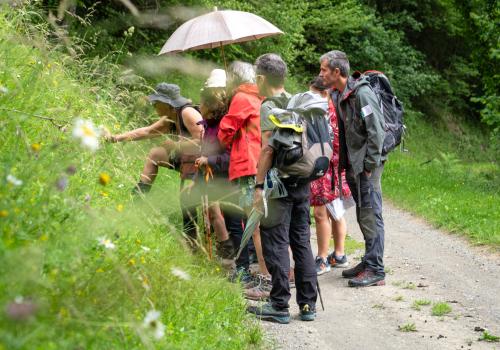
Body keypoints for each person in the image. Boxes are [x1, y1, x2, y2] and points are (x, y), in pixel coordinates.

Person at [248, 53, 317, 324]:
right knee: (301, 241)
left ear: (262, 78)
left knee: (275, 241)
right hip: (303, 182)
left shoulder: (269, 106)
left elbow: (267, 149)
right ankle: (308, 305)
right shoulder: (297, 101)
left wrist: (258, 186)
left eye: (256, 78)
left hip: (280, 185)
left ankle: (279, 304)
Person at [319, 50, 386, 287]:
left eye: (324, 70)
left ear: (337, 72)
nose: (321, 74)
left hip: (367, 165)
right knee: (362, 213)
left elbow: (376, 132)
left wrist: (368, 165)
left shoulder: (362, 94)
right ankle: (369, 261)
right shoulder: (339, 94)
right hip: (355, 166)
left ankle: (376, 269)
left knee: (370, 213)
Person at [106, 83, 203, 243]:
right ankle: (137, 201)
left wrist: (175, 145)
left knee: (186, 197)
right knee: (155, 154)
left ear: (167, 104)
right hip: (186, 158)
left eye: (156, 102)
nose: (153, 105)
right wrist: (115, 138)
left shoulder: (187, 113)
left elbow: (203, 140)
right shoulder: (171, 117)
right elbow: (147, 132)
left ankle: (191, 240)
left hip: (203, 161)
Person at [217, 61, 269, 281]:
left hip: (247, 164)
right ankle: (267, 270)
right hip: (262, 162)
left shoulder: (241, 98)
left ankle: (264, 276)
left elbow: (225, 133)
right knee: (260, 220)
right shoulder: (260, 96)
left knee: (253, 223)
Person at [309, 76, 351, 275]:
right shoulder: (323, 111)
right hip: (327, 167)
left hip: (327, 168)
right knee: (335, 210)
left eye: (313, 94)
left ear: (324, 94)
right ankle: (339, 254)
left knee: (321, 214)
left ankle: (323, 258)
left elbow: (333, 144)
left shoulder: (330, 113)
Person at [192, 69, 234, 261]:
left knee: (221, 212)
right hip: (211, 174)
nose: (198, 106)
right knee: (212, 210)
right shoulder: (208, 124)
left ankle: (228, 252)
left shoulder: (224, 124)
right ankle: (223, 249)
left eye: (201, 103)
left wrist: (209, 161)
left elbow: (228, 155)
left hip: (224, 176)